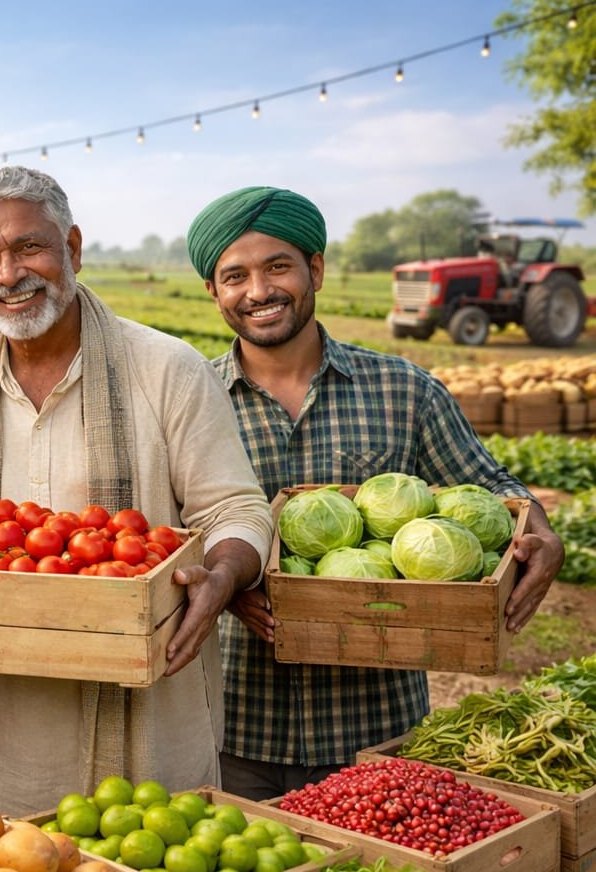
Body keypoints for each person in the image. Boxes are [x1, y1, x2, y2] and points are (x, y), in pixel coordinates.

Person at [0, 167, 273, 819]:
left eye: (29, 247)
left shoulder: (166, 369)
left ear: (72, 248)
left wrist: (222, 576)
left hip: (144, 700)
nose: (9, 274)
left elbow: (235, 509)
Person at [186, 186, 566, 800]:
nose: (258, 291)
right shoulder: (190, 398)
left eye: (278, 266)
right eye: (235, 276)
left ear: (316, 269)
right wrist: (227, 587)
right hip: (229, 722)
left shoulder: (404, 390)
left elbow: (496, 491)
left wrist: (541, 531)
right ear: (215, 291)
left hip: (374, 727)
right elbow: (161, 534)